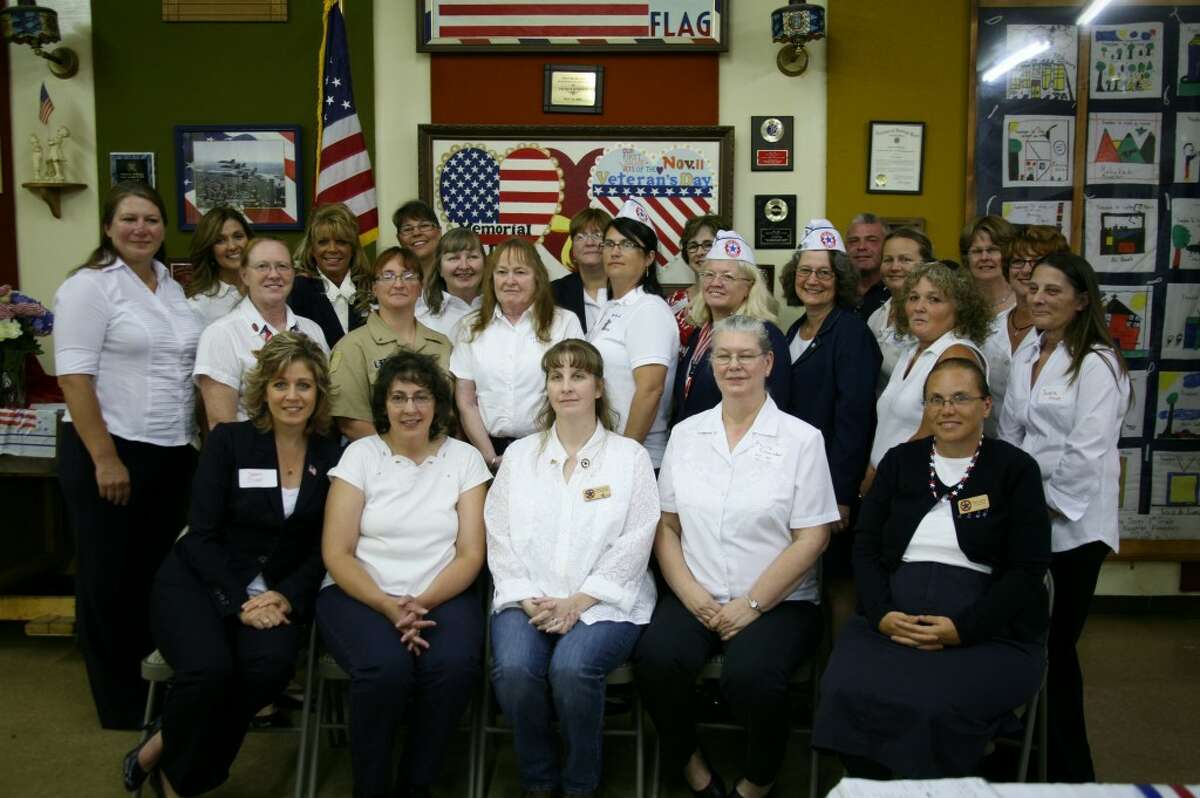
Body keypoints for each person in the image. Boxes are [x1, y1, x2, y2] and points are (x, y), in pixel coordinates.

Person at [123, 333, 341, 796]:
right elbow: (201, 535)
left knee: (269, 669)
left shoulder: (331, 455)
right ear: (263, 391)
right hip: (201, 583)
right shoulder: (230, 442)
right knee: (209, 672)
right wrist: (242, 600)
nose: (292, 396)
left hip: (276, 594)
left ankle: (162, 742)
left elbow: (324, 545)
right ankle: (180, 783)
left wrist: (286, 596)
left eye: (304, 385)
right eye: (281, 385)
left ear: (319, 392)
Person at [813, 358, 1051, 779]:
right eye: (936, 400)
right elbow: (866, 547)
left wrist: (964, 629)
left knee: (932, 707)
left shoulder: (1015, 469)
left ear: (986, 405)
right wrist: (881, 615)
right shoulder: (900, 462)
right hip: (892, 622)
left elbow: (1028, 568)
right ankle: (874, 786)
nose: (947, 409)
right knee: (843, 688)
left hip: (987, 632)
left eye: (960, 398)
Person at [635, 315, 839, 798]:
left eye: (746, 355)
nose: (734, 365)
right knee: (656, 660)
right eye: (723, 356)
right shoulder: (687, 434)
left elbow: (812, 538)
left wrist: (751, 604)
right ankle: (692, 766)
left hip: (780, 602)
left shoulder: (801, 440)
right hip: (697, 593)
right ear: (711, 365)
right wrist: (691, 595)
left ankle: (758, 779)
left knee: (751, 676)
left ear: (768, 363)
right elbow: (666, 526)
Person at [54, 182, 204, 730]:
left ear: (164, 228)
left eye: (151, 220)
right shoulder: (90, 287)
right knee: (108, 578)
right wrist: (105, 458)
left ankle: (153, 690)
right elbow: (74, 378)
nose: (141, 229)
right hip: (111, 448)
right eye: (129, 219)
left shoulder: (171, 287)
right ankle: (119, 703)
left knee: (156, 575)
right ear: (107, 227)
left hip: (171, 450)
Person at [485, 338, 659, 798]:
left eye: (578, 376)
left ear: (598, 387)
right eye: (556, 376)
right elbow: (498, 534)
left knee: (572, 669)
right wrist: (528, 599)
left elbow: (637, 538)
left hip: (605, 604)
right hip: (528, 600)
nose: (566, 386)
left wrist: (578, 602)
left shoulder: (629, 457)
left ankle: (581, 783)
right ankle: (540, 779)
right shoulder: (520, 456)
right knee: (515, 671)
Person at [318, 351, 490, 798]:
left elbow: (470, 553)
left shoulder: (465, 459)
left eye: (421, 396)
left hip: (442, 594)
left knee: (454, 667)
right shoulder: (360, 456)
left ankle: (417, 782)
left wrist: (420, 603)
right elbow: (337, 552)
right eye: (398, 397)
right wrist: (386, 604)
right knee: (384, 669)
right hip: (360, 593)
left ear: (438, 405)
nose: (410, 408)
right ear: (384, 404)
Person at [998, 252, 1131, 783]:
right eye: (1034, 288)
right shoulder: (1030, 349)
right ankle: (1031, 754)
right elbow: (1012, 430)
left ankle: (1074, 772)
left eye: (1054, 290)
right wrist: (1010, 494)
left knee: (1056, 648)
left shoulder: (1097, 363)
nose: (1039, 298)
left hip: (1075, 524)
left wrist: (1040, 507)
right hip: (1030, 516)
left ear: (1081, 301)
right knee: (1030, 643)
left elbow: (1088, 448)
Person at [782, 220, 881, 539]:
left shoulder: (851, 334)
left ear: (841, 279)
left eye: (824, 273)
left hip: (827, 483)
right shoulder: (795, 330)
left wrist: (841, 493)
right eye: (805, 271)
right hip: (795, 473)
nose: (812, 280)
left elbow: (855, 420)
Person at [451, 237, 584, 470]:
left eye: (520, 272)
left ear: (537, 278)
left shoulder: (564, 323)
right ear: (491, 279)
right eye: (502, 272)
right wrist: (490, 458)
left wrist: (546, 453)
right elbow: (466, 402)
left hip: (549, 452)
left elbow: (575, 394)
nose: (510, 281)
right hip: (487, 451)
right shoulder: (470, 328)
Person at [868, 262, 990, 479]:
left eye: (934, 299)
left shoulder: (956, 354)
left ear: (960, 308)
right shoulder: (912, 350)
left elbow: (932, 432)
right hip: (889, 478)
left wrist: (881, 478)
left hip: (918, 481)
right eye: (913, 297)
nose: (919, 307)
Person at [194, 237, 328, 428]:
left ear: (293, 273)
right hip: (247, 446)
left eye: (282, 266)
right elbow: (221, 427)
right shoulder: (220, 335)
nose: (274, 275)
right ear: (244, 275)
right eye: (262, 266)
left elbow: (323, 405)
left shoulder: (312, 330)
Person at [587, 199, 680, 468]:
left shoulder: (649, 309)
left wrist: (626, 458)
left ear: (649, 257)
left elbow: (650, 389)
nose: (615, 251)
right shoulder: (610, 307)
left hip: (639, 456)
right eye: (609, 243)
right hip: (605, 449)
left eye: (627, 244)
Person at [330, 246, 452, 441]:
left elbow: (454, 414)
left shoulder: (442, 344)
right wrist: (401, 453)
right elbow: (351, 423)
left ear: (420, 287)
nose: (398, 284)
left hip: (441, 453)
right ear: (374, 288)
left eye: (408, 276)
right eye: (387, 276)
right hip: (378, 456)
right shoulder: (352, 347)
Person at [671, 229, 789, 427]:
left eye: (727, 277)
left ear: (749, 287)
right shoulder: (700, 332)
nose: (715, 283)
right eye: (709, 275)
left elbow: (776, 406)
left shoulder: (766, 335)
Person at [981, 224, 1069, 433]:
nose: (1027, 270)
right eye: (1018, 261)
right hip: (992, 443)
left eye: (1037, 262)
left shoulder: (1066, 333)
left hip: (1051, 446)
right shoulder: (989, 328)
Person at [290, 203, 372, 349]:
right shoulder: (297, 289)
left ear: (353, 248)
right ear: (312, 248)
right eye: (323, 242)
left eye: (341, 242)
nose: (332, 249)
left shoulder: (370, 286)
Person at [867, 227, 934, 384]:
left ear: (926, 265)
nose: (895, 267)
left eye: (905, 259)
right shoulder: (876, 317)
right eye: (888, 260)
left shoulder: (933, 316)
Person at [185, 206, 252, 327]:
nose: (232, 246)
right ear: (209, 250)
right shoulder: (197, 306)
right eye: (220, 241)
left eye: (238, 236)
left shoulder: (270, 288)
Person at [665, 214, 726, 345]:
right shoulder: (674, 302)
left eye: (708, 245)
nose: (699, 252)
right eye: (693, 246)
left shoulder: (733, 298)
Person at [550, 207, 613, 333]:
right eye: (580, 236)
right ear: (573, 249)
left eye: (597, 235)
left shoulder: (630, 290)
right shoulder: (553, 293)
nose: (589, 242)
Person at [416, 226, 484, 338]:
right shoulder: (421, 318)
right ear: (439, 268)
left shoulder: (502, 311)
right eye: (454, 258)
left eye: (472, 257)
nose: (464, 266)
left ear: (484, 264)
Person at [846, 213, 889, 321]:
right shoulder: (834, 291)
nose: (861, 247)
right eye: (854, 241)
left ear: (887, 246)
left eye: (871, 240)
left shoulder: (896, 292)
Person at [394, 199, 443, 278]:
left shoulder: (456, 276)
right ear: (399, 239)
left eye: (424, 226)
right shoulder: (392, 281)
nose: (416, 233)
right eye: (407, 229)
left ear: (439, 232)